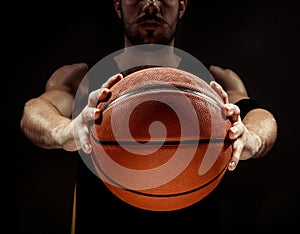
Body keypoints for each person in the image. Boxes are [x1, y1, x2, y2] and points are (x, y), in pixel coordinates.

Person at [20, 0, 278, 233]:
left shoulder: (214, 81)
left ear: (182, 5)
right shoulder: (82, 78)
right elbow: (35, 111)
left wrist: (252, 138)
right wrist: (66, 131)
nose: (151, 6)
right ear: (118, 5)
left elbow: (261, 116)